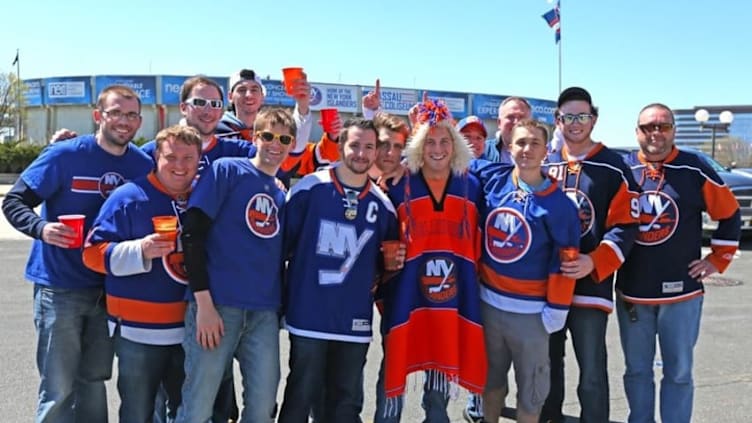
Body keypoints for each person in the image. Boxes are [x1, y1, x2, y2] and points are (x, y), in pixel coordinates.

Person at [1, 85, 154, 422]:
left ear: (140, 122)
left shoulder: (143, 164)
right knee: (58, 386)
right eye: (115, 113)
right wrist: (41, 229)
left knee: (94, 380)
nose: (123, 121)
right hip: (60, 287)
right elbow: (14, 201)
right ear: (98, 116)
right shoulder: (65, 154)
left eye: (131, 115)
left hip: (110, 289)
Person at [616, 103, 741, 423]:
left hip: (682, 295)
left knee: (680, 373)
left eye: (663, 126)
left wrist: (717, 259)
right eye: (648, 127)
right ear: (637, 132)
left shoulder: (694, 167)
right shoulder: (622, 171)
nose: (656, 133)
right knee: (637, 372)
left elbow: (729, 214)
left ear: (673, 130)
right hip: (634, 294)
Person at [175, 108, 296, 423]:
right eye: (268, 135)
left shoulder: (282, 194)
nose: (275, 144)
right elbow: (192, 234)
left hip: (263, 313)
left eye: (284, 138)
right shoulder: (227, 170)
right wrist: (203, 304)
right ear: (255, 137)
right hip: (216, 307)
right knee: (198, 405)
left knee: (262, 406)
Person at [278, 118, 400, 423]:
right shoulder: (310, 188)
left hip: (353, 320)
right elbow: (281, 248)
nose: (361, 153)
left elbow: (386, 266)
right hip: (309, 315)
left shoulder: (383, 206)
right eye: (354, 145)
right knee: (299, 396)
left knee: (345, 403)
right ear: (341, 146)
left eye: (368, 147)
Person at [82, 125, 202, 422]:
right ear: (156, 157)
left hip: (193, 328)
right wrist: (140, 251)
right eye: (171, 157)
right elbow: (91, 254)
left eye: (188, 158)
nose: (180, 165)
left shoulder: (205, 198)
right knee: (139, 412)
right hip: (139, 331)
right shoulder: (129, 197)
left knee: (188, 412)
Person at [380, 99, 486, 422]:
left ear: (455, 146)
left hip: (450, 301)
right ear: (418, 147)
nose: (437, 149)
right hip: (406, 300)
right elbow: (380, 242)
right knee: (391, 380)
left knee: (438, 395)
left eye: (444, 141)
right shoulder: (397, 186)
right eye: (429, 142)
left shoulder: (472, 187)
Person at [469, 119, 580, 423]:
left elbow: (565, 260)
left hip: (531, 314)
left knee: (531, 392)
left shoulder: (561, 205)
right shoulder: (494, 180)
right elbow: (452, 155)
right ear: (508, 146)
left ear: (547, 150)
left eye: (534, 143)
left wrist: (556, 308)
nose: (526, 149)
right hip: (489, 305)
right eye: (520, 142)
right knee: (490, 384)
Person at [541, 87, 641, 423]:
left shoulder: (614, 166)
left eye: (582, 116)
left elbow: (627, 225)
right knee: (546, 371)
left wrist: (595, 261)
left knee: (592, 375)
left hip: (590, 289)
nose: (575, 123)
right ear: (558, 120)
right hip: (546, 288)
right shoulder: (544, 163)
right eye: (568, 116)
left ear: (593, 119)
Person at [216, 68, 339, 182]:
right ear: (230, 97)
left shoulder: (280, 134)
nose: (249, 95)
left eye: (254, 89)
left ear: (262, 96)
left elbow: (313, 158)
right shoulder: (216, 132)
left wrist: (332, 137)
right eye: (241, 90)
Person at [482, 97, 532, 163]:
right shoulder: (482, 151)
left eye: (521, 117)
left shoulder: (541, 154)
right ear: (499, 123)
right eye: (510, 117)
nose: (516, 122)